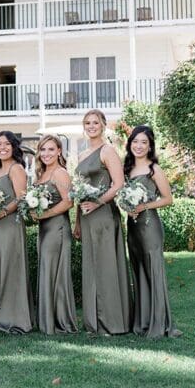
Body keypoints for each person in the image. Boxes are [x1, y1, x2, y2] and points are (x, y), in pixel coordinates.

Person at [74, 109, 132, 335]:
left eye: (95, 122)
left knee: (106, 267)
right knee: (92, 267)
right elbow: (79, 191)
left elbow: (118, 184)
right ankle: (93, 322)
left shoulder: (108, 150)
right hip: (86, 217)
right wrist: (77, 222)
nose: (91, 126)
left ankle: (112, 321)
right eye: (87, 123)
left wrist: (97, 203)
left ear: (103, 125)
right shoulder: (82, 155)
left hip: (104, 215)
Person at [124, 125, 181, 339]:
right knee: (138, 270)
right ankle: (143, 322)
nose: (138, 146)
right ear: (130, 144)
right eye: (135, 141)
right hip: (132, 226)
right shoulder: (127, 169)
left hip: (149, 226)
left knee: (153, 271)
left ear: (150, 146)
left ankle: (160, 324)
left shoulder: (153, 169)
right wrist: (127, 206)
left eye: (144, 142)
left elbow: (168, 199)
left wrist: (144, 206)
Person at [0, 131, 35, 333]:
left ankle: (15, 319)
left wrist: (1, 213)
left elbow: (21, 198)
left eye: (6, 144)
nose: (2, 148)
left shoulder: (16, 168)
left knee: (11, 267)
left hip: (10, 224)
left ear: (14, 147)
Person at [30, 134, 78, 335]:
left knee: (56, 272)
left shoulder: (60, 173)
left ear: (59, 151)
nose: (46, 153)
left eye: (51, 149)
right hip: (44, 229)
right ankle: (46, 320)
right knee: (47, 270)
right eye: (43, 149)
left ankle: (59, 321)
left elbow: (68, 202)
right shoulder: (41, 174)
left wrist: (44, 214)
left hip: (57, 228)